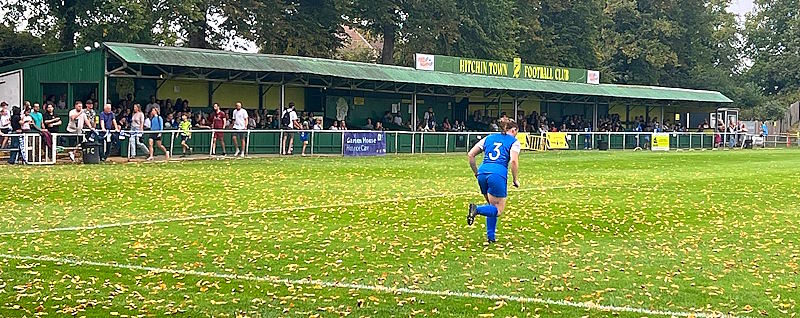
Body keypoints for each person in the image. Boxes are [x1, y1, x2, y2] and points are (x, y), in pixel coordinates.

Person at [466, 120, 521, 244]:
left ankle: (491, 237)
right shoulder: (514, 142)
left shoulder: (488, 138)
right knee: (498, 209)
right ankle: (477, 209)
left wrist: (476, 172)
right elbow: (513, 161)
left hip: (483, 172)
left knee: (491, 206)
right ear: (513, 130)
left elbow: (471, 155)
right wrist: (515, 179)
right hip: (497, 174)